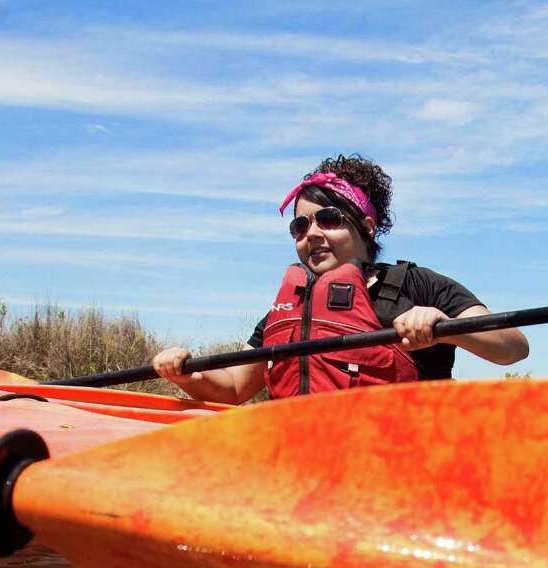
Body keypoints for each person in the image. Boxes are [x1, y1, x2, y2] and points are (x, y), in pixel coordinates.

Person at [152, 154, 528, 404]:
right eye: (300, 226)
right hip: (301, 474)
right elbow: (234, 387)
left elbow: (512, 347)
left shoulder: (419, 285)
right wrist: (185, 375)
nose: (311, 233)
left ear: (366, 226)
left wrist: (443, 326)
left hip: (400, 469)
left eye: (328, 219)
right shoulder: (288, 310)